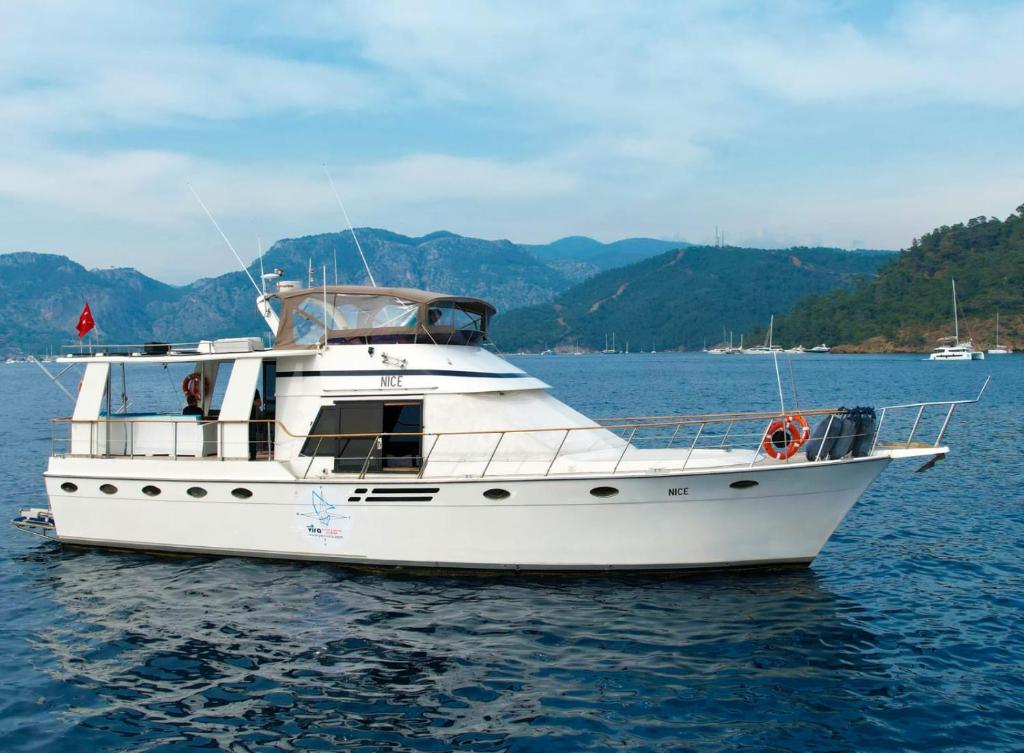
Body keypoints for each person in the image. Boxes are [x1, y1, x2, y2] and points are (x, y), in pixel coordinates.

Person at [249, 390, 264, 460]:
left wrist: (250, 400)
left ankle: (253, 456)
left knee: (252, 437)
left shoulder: (254, 391)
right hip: (240, 419)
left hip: (251, 419)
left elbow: (259, 403)